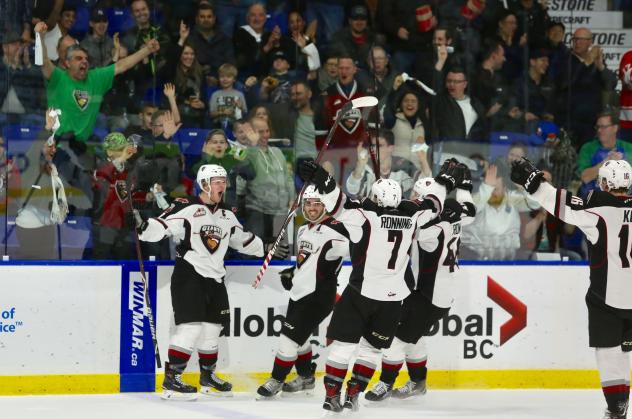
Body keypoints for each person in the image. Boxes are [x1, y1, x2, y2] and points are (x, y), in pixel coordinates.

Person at [297, 158, 460, 413]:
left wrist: (320, 177)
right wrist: (444, 181)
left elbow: (336, 201)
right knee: (372, 350)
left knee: (343, 346)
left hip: (362, 292)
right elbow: (434, 202)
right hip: (393, 299)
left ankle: (332, 395)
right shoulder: (412, 214)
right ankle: (354, 393)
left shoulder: (364, 216)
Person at [135, 164, 286, 400]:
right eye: (216, 181)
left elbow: (241, 240)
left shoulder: (228, 215)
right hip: (189, 274)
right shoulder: (186, 207)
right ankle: (172, 380)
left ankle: (207, 377)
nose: (221, 186)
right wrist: (145, 227)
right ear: (204, 184)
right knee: (190, 327)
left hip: (216, 278)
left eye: (223, 181)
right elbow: (162, 226)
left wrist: (266, 248)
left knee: (212, 329)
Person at [510, 157, 632, 419]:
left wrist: (533, 182)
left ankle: (617, 407)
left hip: (607, 297)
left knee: (609, 351)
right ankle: (620, 404)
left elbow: (559, 202)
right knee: (625, 350)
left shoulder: (598, 207)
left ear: (606, 183)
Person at [364, 170, 476, 402]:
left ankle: (386, 383)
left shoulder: (430, 231)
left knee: (396, 339)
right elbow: (470, 212)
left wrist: (388, 210)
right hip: (434, 294)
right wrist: (464, 186)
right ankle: (418, 382)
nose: (415, 199)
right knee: (413, 337)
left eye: (418, 195)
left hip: (430, 296)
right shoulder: (454, 219)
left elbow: (407, 228)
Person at [256, 186, 350, 398]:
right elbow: (307, 262)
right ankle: (306, 378)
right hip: (299, 294)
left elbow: (357, 244)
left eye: (317, 204)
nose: (312, 208)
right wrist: (294, 272)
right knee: (301, 337)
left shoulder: (336, 230)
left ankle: (276, 379)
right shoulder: (302, 230)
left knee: (289, 339)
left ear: (325, 205)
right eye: (308, 204)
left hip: (319, 296)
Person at [35, 21, 160, 143]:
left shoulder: (95, 78)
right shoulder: (58, 78)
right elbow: (44, 61)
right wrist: (39, 36)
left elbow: (122, 65)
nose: (84, 61)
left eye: (86, 58)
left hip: (82, 146)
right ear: (67, 63)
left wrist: (147, 50)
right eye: (78, 58)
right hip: (56, 142)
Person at [346, 130, 415, 200]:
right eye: (373, 146)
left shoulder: (404, 166)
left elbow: (418, 190)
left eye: (379, 146)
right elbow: (352, 190)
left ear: (390, 148)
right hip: (369, 210)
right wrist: (360, 164)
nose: (374, 149)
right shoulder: (364, 165)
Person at [577, 112, 632, 199]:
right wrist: (606, 162)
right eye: (598, 127)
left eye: (603, 127)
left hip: (623, 203)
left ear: (615, 128)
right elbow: (585, 177)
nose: (599, 130)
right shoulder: (588, 148)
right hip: (592, 202)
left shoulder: (629, 148)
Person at [209, 63, 247, 129]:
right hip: (218, 126)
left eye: (228, 77)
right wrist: (223, 112)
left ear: (234, 79)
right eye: (222, 76)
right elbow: (211, 114)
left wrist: (240, 108)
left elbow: (244, 113)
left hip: (235, 126)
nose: (225, 79)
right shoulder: (215, 94)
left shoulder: (239, 94)